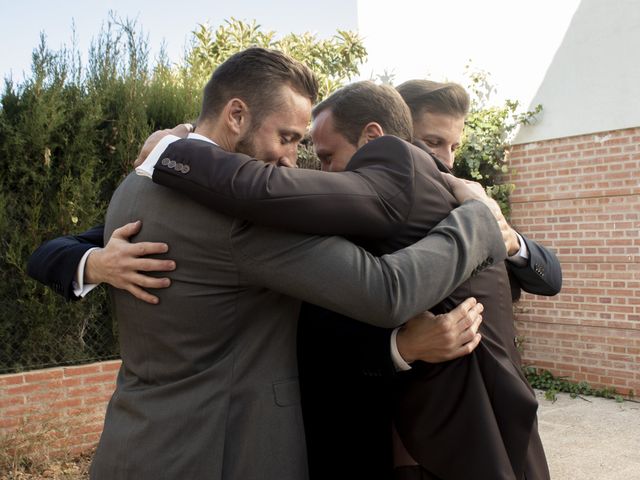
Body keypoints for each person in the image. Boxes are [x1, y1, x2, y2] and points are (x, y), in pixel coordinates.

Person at [27, 50, 508, 480]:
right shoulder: (241, 219)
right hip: (225, 453)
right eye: (287, 137)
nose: (292, 159)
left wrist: (90, 262)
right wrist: (477, 223)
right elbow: (388, 291)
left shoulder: (137, 182)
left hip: (133, 443)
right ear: (236, 115)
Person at [130, 80, 558, 479]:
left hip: (462, 439)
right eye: (429, 142)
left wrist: (171, 149)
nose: (443, 160)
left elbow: (259, 190)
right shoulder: (434, 195)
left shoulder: (420, 180)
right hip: (434, 437)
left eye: (450, 146)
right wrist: (91, 260)